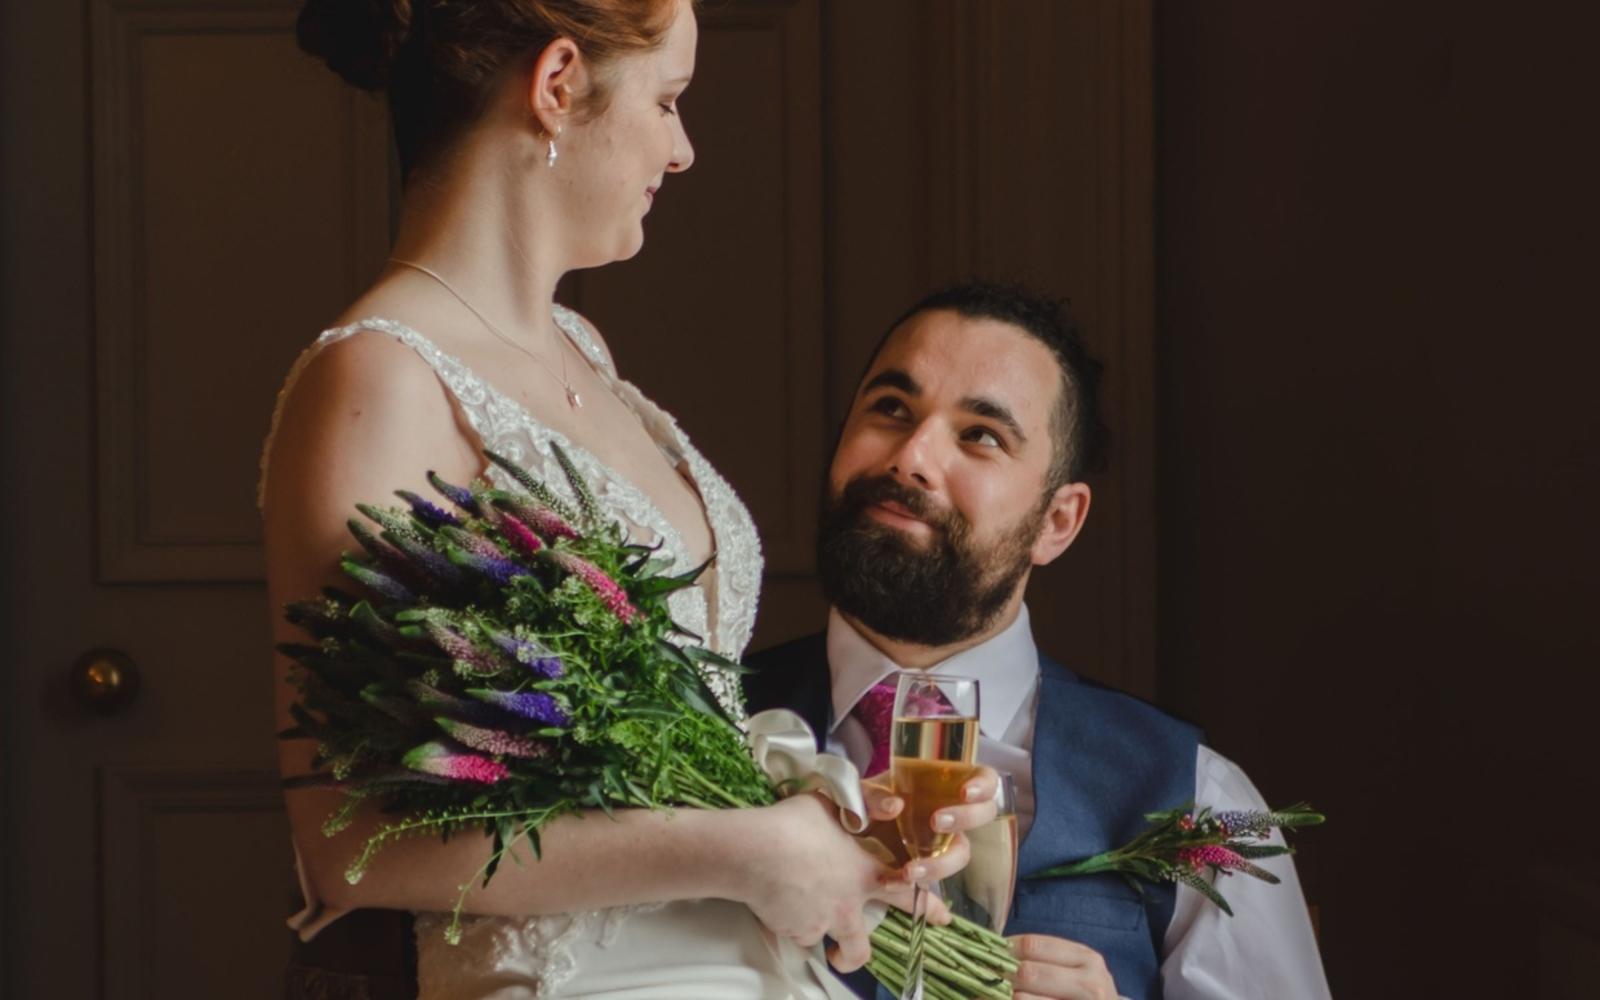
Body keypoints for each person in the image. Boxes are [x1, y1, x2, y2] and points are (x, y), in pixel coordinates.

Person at [259, 2, 996, 997]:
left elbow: (653, 740)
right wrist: (747, 852)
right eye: (668, 100)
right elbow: (351, 841)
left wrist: (829, 829)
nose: (682, 149)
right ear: (559, 83)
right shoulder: (379, 382)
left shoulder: (583, 353)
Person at [746, 282, 1332, 1000]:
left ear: (1058, 521)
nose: (912, 458)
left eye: (980, 435)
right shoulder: (691, 726)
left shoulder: (1199, 801)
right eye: (891, 409)